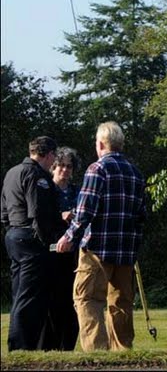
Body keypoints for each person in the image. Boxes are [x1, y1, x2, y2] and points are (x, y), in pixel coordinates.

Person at [56, 122, 147, 351]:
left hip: (98, 247)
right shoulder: (135, 172)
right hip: (126, 249)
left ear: (100, 144)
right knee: (121, 302)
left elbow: (86, 210)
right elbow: (142, 214)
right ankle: (122, 352)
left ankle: (98, 353)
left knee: (86, 298)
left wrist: (68, 236)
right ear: (121, 144)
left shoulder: (97, 169)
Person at [1, 135, 61, 351]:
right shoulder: (37, 175)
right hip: (31, 239)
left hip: (14, 236)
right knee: (30, 297)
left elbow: (4, 211)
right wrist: (47, 242)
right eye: (54, 156)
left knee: (19, 293)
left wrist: (12, 230)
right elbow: (38, 212)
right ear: (49, 154)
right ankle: (20, 347)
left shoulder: (12, 172)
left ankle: (21, 344)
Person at [41, 147, 82, 351]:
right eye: (61, 166)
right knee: (52, 302)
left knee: (71, 301)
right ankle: (49, 346)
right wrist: (61, 215)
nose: (65, 170)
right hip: (50, 252)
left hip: (74, 253)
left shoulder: (77, 191)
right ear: (53, 167)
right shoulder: (46, 190)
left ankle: (68, 347)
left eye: (69, 166)